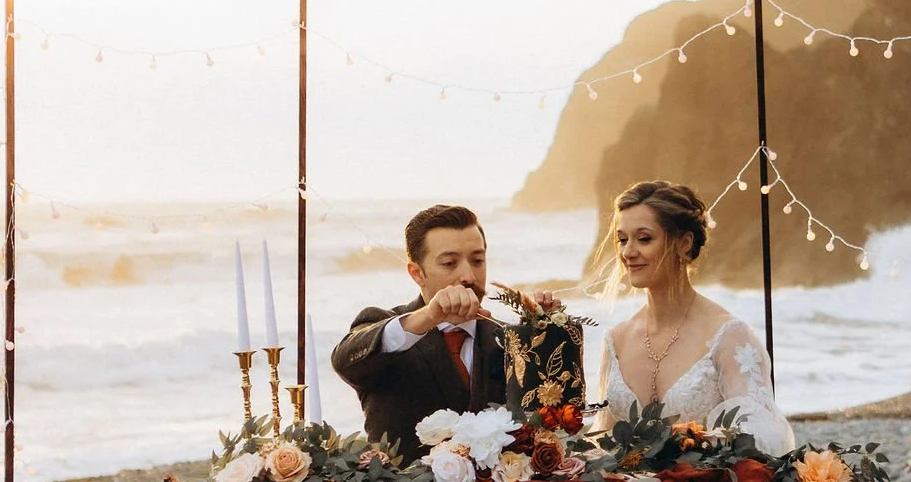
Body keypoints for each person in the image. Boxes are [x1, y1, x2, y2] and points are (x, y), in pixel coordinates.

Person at [331, 204, 555, 464]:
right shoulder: (387, 328)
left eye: (477, 260)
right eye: (450, 263)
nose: (468, 276)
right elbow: (344, 359)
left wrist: (547, 335)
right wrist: (429, 316)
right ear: (417, 273)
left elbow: (548, 416)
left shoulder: (508, 339)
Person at [598, 180, 794, 456]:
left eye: (644, 239)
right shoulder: (616, 340)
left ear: (684, 242)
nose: (628, 252)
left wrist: (699, 443)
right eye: (622, 239)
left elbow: (762, 434)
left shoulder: (728, 337)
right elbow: (603, 442)